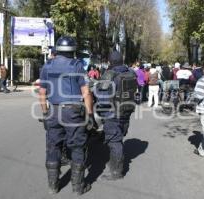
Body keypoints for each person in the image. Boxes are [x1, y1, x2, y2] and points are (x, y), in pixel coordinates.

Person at [39, 36, 93, 195]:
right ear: (73, 51)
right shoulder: (76, 66)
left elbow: (42, 93)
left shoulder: (47, 66)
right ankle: (78, 188)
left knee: (53, 146)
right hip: (73, 112)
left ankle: (53, 186)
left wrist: (45, 113)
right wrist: (89, 114)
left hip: (54, 111)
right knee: (77, 147)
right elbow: (86, 92)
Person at [96, 51, 137, 180]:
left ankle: (116, 172)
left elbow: (102, 98)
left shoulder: (109, 75)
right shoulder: (131, 73)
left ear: (110, 62)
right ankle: (115, 162)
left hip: (112, 113)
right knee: (119, 137)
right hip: (127, 110)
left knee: (115, 141)